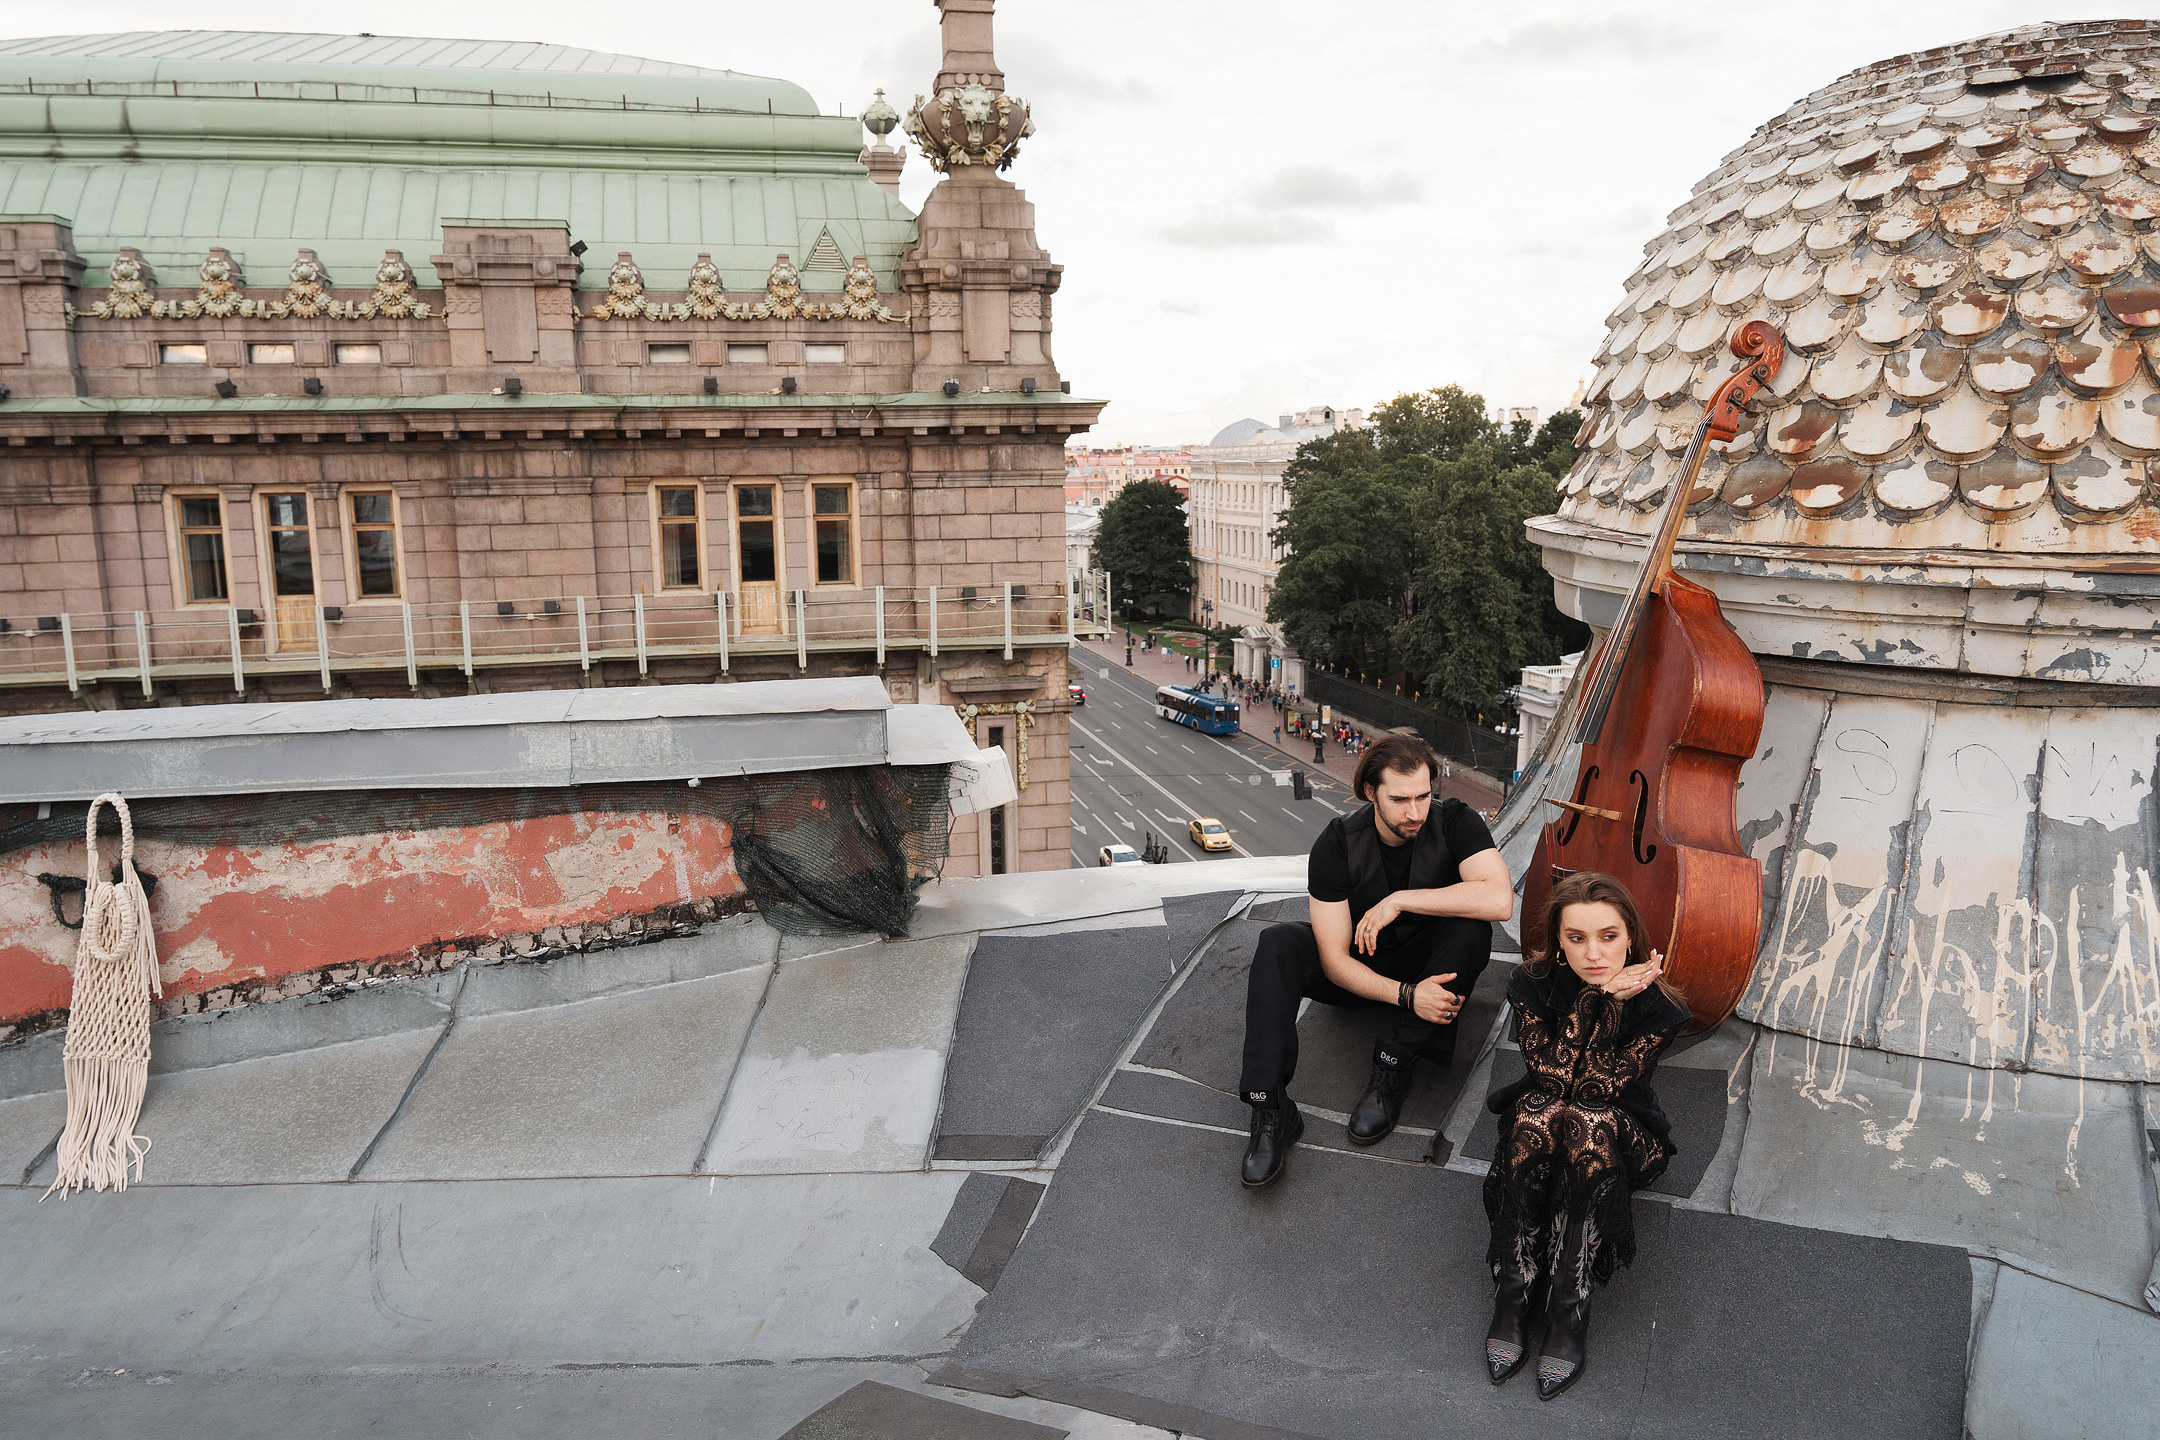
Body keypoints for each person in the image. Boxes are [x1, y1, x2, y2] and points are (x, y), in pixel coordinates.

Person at [1236, 734, 1511, 1189]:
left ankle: (1393, 1066)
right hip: (1365, 973)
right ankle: (1270, 1110)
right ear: (1371, 793)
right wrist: (1407, 996)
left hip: (1431, 962)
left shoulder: (1457, 822)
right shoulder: (1338, 842)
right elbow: (1334, 960)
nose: (1416, 812)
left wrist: (1401, 900)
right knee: (1277, 942)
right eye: (1400, 799)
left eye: (1423, 796)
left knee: (1472, 928)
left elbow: (1499, 899)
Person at [1480, 871, 1689, 1400]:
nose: (1594, 953)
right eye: (1577, 939)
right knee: (1538, 1111)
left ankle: (1569, 1305)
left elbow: (1599, 1089)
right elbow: (1550, 1076)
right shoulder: (1531, 983)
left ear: (1632, 937)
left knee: (1583, 1117)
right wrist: (1589, 1000)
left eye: (1609, 937)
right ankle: (1515, 1287)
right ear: (1558, 941)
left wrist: (1614, 1004)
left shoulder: (1662, 1007)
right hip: (1546, 1122)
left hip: (1622, 1134)